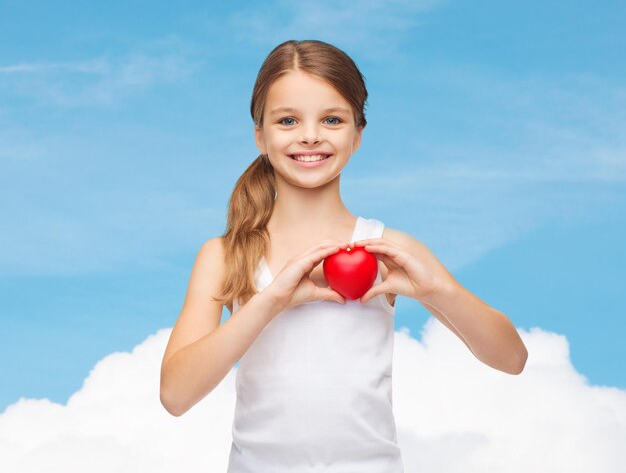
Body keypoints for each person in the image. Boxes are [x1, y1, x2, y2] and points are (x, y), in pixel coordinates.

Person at [159, 39, 528, 472]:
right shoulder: (225, 255)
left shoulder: (388, 249)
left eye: (332, 119)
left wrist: (439, 291)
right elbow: (175, 395)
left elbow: (512, 359)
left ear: (357, 134)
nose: (310, 135)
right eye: (288, 120)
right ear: (260, 134)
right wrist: (272, 300)